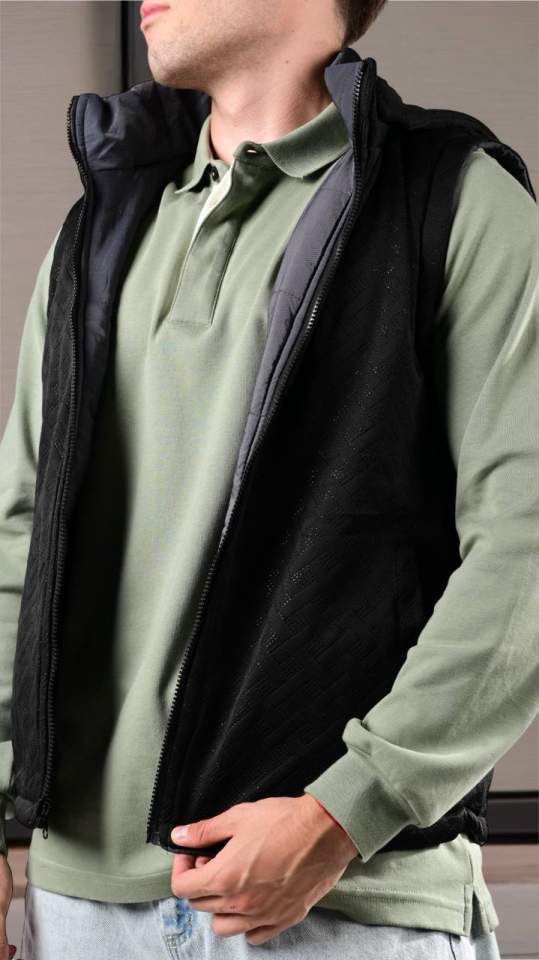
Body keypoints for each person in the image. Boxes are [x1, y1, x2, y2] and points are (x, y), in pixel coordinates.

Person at [1, 0, 538, 957]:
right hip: (77, 902)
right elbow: (22, 533)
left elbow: (524, 543)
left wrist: (346, 810)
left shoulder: (454, 201)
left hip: (335, 901)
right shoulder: (101, 227)